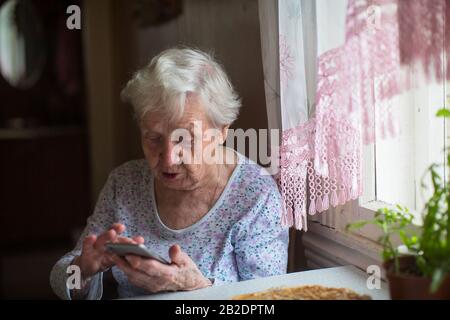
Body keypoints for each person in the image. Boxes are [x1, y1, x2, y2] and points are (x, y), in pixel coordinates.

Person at [50, 47, 288, 299]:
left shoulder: (255, 194)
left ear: (221, 131)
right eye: (153, 138)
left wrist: (198, 288)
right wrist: (84, 269)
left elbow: (269, 300)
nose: (168, 158)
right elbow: (63, 276)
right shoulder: (125, 183)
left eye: (184, 139)